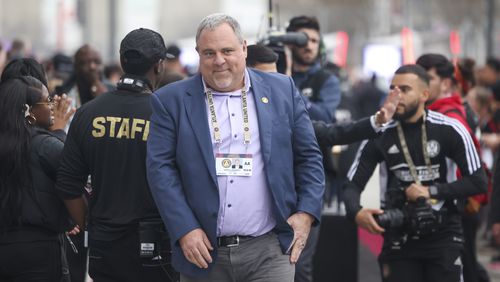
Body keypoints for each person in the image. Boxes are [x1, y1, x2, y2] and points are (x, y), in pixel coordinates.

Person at [146, 13, 324, 281]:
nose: (219, 61)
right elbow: (160, 170)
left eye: (227, 50)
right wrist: (184, 229)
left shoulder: (282, 90)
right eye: (209, 53)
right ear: (198, 54)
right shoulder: (170, 101)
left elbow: (309, 156)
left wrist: (306, 213)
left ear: (243, 48)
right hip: (202, 252)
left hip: (269, 251)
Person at [343, 64, 487, 282]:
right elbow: (352, 185)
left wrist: (431, 191)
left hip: (444, 234)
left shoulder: (450, 129)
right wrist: (355, 212)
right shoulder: (380, 133)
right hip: (398, 236)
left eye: (405, 89)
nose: (396, 95)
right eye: (393, 89)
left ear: (424, 95)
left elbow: (478, 182)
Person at [56, 28, 177, 282]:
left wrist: (90, 224)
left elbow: (68, 186)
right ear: (159, 65)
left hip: (104, 245)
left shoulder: (88, 113)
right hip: (157, 245)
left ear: (122, 61)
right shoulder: (166, 116)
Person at [417, 54, 490, 282]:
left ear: (446, 83)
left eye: (426, 78)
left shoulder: (450, 116)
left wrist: (436, 192)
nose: (420, 84)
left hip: (456, 207)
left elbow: (469, 172)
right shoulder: (445, 111)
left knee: (464, 268)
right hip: (453, 205)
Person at [0, 76, 78, 282]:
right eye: (47, 101)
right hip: (40, 250)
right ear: (29, 112)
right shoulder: (45, 146)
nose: (53, 106)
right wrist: (60, 133)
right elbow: (73, 174)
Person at [286, 15, 342, 281]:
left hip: (309, 177)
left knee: (300, 262)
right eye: (302, 39)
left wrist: (285, 87)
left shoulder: (325, 80)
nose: (309, 46)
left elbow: (325, 117)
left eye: (315, 41)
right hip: (272, 176)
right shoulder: (269, 72)